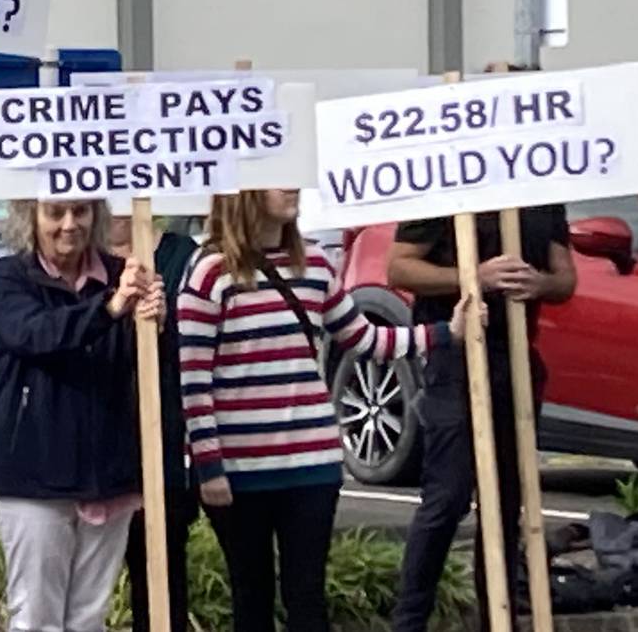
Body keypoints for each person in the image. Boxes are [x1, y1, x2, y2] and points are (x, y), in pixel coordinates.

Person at [178, 189, 474, 632]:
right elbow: (194, 378)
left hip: (312, 463)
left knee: (307, 600)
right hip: (240, 469)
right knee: (251, 597)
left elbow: (365, 338)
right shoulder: (209, 274)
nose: (292, 189)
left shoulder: (315, 264)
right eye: (279, 180)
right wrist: (209, 467)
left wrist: (443, 333)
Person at [390, 196, 575, 632]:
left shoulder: (540, 188)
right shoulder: (445, 185)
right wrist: (473, 278)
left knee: (511, 499)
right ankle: (409, 622)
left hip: (516, 357)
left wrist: (541, 284)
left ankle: (500, 616)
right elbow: (398, 267)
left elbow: (565, 276)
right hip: (455, 352)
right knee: (448, 496)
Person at [0, 198, 165, 632]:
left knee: (88, 619)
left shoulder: (127, 278)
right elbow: (34, 334)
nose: (69, 225)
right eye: (55, 213)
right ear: (31, 217)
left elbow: (147, 370)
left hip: (108, 472)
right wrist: (108, 310)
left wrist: (156, 324)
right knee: (35, 620)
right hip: (35, 477)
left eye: (81, 212)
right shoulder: (6, 277)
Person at [108, 214, 200, 632]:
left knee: (162, 579)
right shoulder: (76, 259)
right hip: (98, 445)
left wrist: (162, 322)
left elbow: (199, 343)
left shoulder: (182, 256)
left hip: (163, 442)